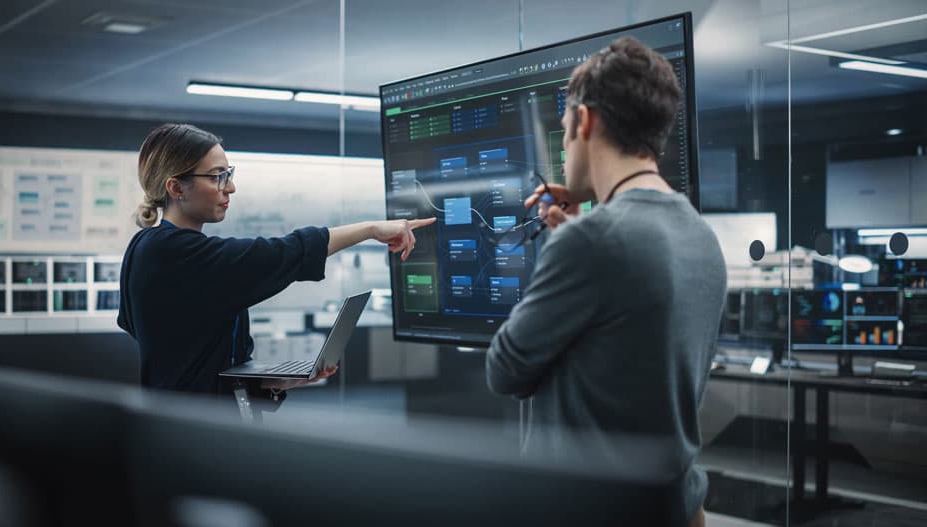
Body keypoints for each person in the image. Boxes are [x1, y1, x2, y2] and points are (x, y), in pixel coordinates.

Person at [485, 37, 726, 526]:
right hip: (673, 509)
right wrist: (580, 231)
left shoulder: (592, 243)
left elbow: (504, 370)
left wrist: (568, 244)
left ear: (584, 121)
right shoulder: (702, 237)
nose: (564, 148)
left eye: (563, 131)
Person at [118, 123, 434, 397]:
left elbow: (191, 354)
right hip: (189, 429)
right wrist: (370, 229)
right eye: (217, 177)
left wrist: (274, 382)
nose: (230, 187)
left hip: (203, 422)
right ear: (176, 188)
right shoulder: (170, 251)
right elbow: (283, 253)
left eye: (229, 174)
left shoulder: (149, 247)